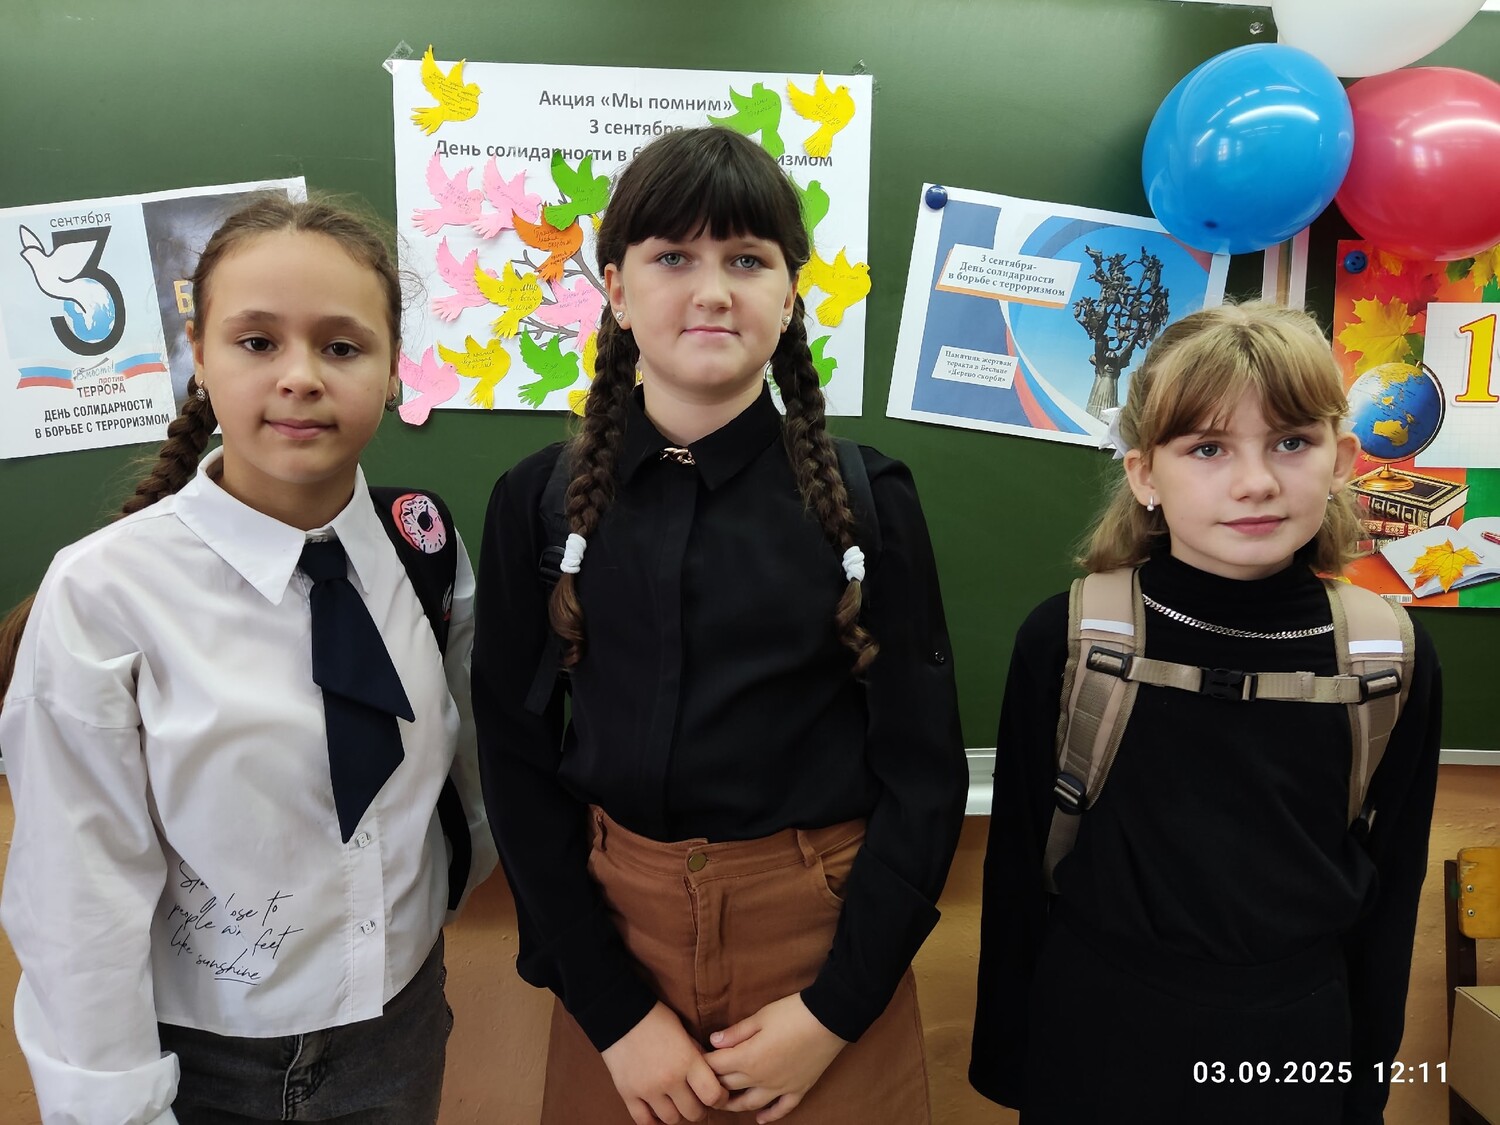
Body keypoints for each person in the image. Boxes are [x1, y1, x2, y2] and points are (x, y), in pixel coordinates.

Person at [473, 126, 968, 1125]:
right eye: (673, 258)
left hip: (824, 948)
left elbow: (924, 772)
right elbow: (514, 759)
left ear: (789, 295)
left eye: (747, 259)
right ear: (617, 290)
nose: (712, 291)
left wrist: (835, 1010)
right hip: (614, 946)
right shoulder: (538, 501)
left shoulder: (866, 502)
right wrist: (612, 1012)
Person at [0, 195, 496, 1125]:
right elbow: (77, 895)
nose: (300, 377)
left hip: (398, 1028)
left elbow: (462, 772)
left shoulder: (423, 545)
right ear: (198, 351)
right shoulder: (104, 593)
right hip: (200, 1061)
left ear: (395, 364)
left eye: (342, 346)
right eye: (257, 341)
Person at [969, 302, 1442, 1124]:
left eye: (1291, 441)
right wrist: (1015, 1065)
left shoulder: (1387, 657)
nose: (1256, 482)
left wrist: (1362, 1085)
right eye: (1208, 448)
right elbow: (1014, 866)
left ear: (1342, 458)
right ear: (1144, 474)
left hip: (1297, 1047)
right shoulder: (1071, 637)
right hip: (1097, 1040)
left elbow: (1393, 885)